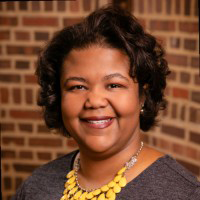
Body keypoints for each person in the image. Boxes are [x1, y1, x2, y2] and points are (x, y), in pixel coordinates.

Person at [12, 5, 200, 200]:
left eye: (113, 85)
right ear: (58, 97)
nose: (94, 101)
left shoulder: (183, 194)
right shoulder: (35, 187)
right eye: (78, 87)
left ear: (142, 96)